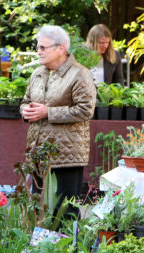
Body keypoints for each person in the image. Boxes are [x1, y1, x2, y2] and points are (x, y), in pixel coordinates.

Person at [20, 25, 96, 218]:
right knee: (38, 210)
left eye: (43, 47)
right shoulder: (37, 73)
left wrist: (48, 112)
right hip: (38, 151)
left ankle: (70, 247)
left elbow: (85, 110)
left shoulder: (80, 74)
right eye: (38, 47)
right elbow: (26, 101)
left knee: (64, 211)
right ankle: (40, 248)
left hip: (66, 155)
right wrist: (25, 110)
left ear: (61, 48)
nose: (39, 51)